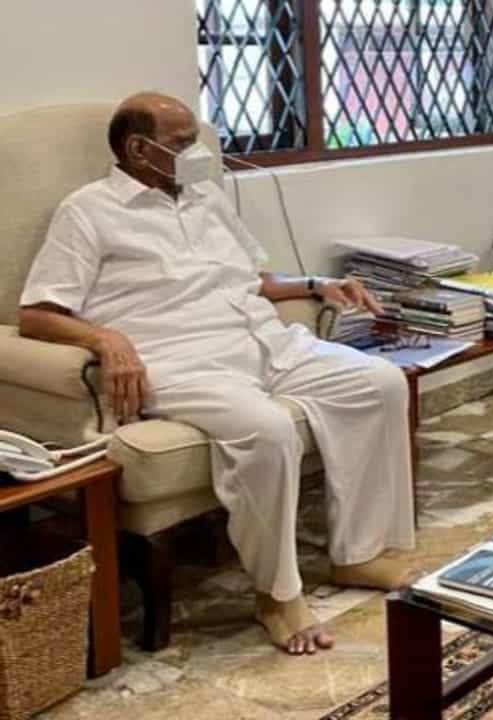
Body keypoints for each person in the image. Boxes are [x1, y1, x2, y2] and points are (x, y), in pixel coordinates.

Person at [18, 92, 418, 654]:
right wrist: (107, 339)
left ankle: (361, 554)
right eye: (183, 143)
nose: (199, 153)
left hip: (263, 339)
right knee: (267, 430)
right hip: (183, 360)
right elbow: (36, 314)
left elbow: (254, 279)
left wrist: (316, 285)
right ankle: (277, 596)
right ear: (139, 149)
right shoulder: (88, 211)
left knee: (379, 383)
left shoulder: (206, 196)